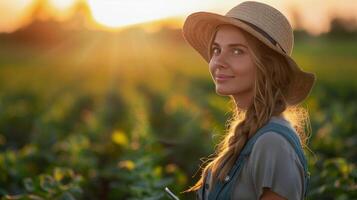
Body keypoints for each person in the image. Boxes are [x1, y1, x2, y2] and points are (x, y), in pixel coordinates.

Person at [181, 1, 316, 200]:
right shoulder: (256, 133)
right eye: (216, 50)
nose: (218, 62)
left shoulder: (272, 144)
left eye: (237, 51)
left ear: (268, 67)